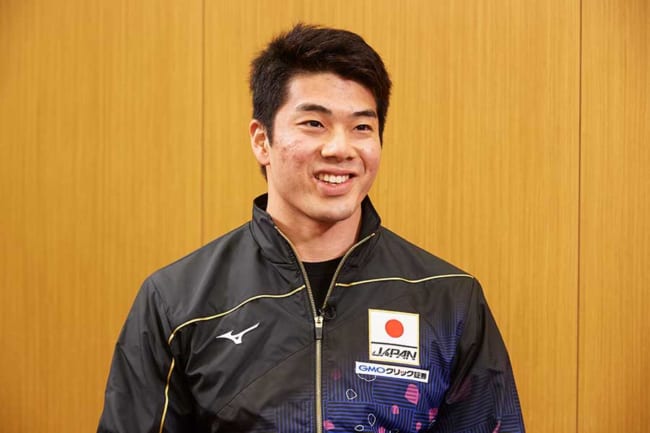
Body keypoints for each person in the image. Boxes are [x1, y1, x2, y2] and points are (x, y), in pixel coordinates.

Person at [98, 23, 525, 433]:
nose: (340, 148)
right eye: (314, 124)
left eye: (362, 127)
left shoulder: (448, 299)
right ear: (261, 140)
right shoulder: (178, 302)